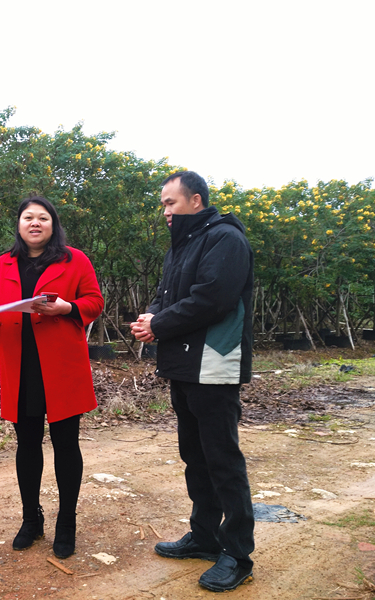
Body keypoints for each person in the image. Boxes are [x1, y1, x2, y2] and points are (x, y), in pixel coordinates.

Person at [131, 171, 255, 592]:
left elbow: (212, 299)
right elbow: (169, 295)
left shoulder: (225, 239)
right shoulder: (184, 244)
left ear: (196, 201)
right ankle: (204, 536)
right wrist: (151, 316)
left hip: (214, 364)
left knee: (222, 459)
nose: (165, 211)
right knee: (195, 455)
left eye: (171, 203)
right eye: (163, 205)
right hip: (184, 363)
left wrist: (160, 324)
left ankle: (237, 553)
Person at [0, 196, 103, 559]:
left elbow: (94, 302)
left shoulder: (75, 260)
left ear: (53, 225)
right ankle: (32, 519)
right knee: (26, 445)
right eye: (28, 217)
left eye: (43, 218)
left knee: (66, 444)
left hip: (61, 366)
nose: (35, 223)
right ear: (19, 224)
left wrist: (67, 307)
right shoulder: (3, 264)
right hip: (21, 365)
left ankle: (66, 523)